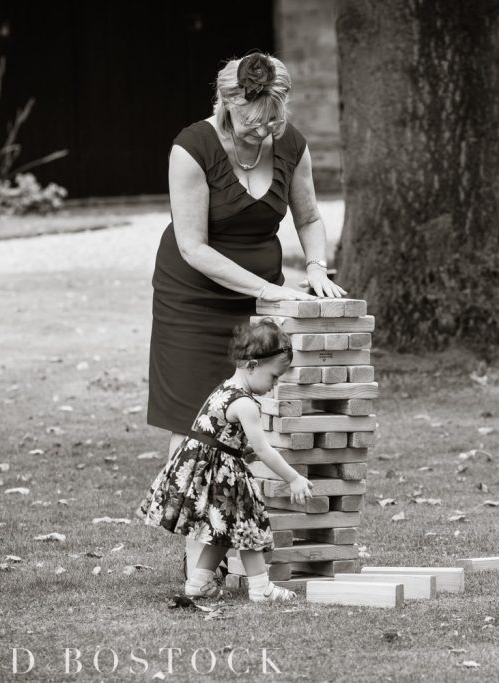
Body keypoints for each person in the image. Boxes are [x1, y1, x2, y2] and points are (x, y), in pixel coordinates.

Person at [147, 52, 345, 583]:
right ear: (228, 103)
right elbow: (192, 246)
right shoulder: (193, 148)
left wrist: (318, 268)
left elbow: (307, 215)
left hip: (259, 302)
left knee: (253, 421)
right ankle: (196, 565)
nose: (265, 131)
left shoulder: (291, 144)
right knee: (195, 427)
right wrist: (270, 288)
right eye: (254, 122)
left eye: (274, 119)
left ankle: (247, 553)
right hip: (192, 298)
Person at [137, 320, 313, 602]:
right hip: (222, 475)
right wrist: (293, 478)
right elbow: (265, 450)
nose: (275, 385)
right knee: (247, 525)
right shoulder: (245, 403)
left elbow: (221, 436)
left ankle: (198, 583)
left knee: (223, 528)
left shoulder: (224, 388)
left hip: (207, 469)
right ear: (253, 365)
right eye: (274, 377)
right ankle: (261, 588)